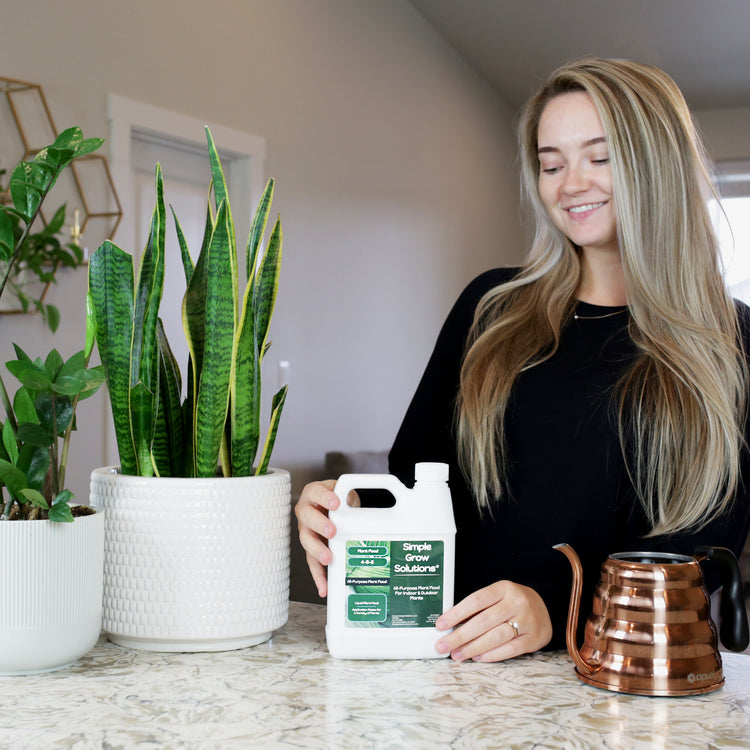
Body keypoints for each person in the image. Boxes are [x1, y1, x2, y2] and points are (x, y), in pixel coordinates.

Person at [295, 57, 750, 662]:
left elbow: (705, 551)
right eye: (551, 163)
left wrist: (553, 603)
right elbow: (415, 482)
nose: (570, 184)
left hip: (618, 677)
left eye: (600, 156)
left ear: (655, 164)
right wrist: (348, 512)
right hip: (457, 663)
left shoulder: (729, 339)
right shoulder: (491, 309)